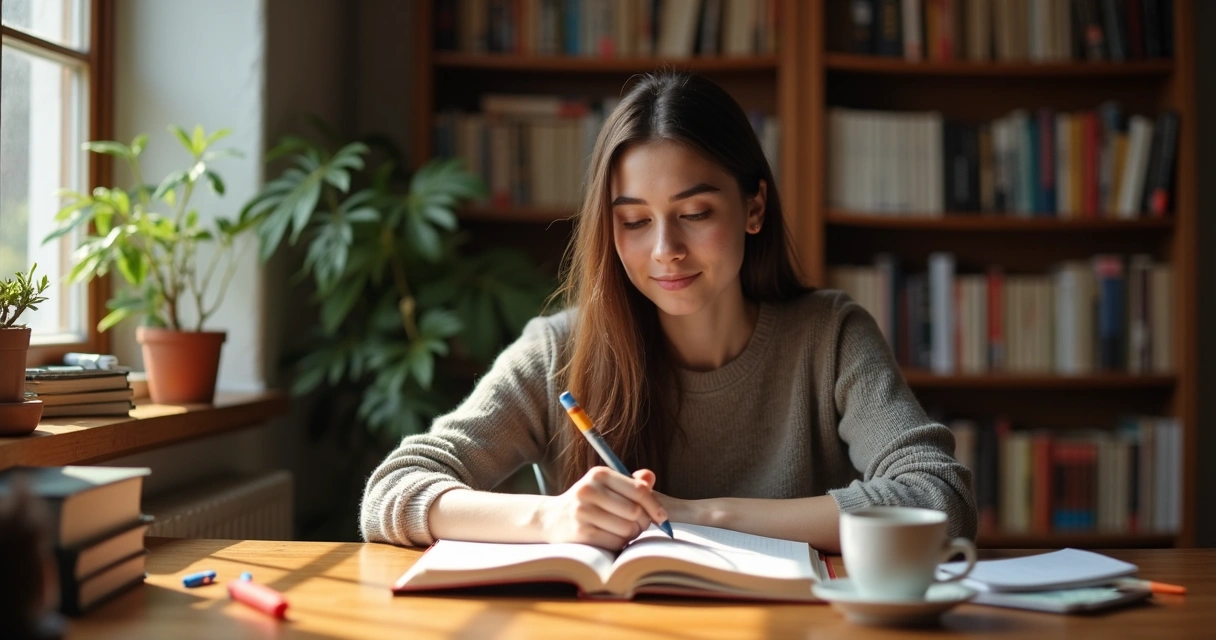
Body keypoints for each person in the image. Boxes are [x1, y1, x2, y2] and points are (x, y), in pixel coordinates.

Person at [361, 71, 976, 552]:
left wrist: (697, 514)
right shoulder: (560, 351)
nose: (665, 251)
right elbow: (393, 492)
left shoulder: (830, 337)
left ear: (754, 208)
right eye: (634, 221)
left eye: (696, 213)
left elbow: (938, 499)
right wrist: (550, 517)